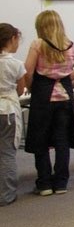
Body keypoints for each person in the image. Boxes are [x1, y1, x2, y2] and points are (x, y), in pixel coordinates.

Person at [24, 10, 74, 196]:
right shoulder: (73, 46)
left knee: (41, 140)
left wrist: (31, 87)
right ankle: (61, 183)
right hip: (65, 99)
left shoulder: (38, 44)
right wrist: (70, 85)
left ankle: (44, 184)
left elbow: (28, 72)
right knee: (62, 140)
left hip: (43, 99)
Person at [0, 24, 26, 206]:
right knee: (7, 152)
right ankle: (6, 194)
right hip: (7, 110)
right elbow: (21, 88)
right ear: (12, 39)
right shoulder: (16, 64)